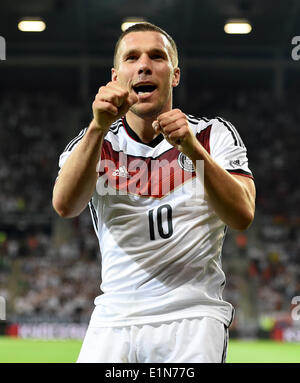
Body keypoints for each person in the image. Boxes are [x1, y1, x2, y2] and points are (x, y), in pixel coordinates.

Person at [52, 22, 255, 363]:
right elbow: (64, 206)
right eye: (132, 57)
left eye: (157, 56)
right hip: (115, 318)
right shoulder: (94, 143)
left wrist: (192, 151)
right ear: (116, 77)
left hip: (192, 316)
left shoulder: (212, 135)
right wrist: (97, 128)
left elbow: (243, 214)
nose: (144, 64)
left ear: (175, 75)